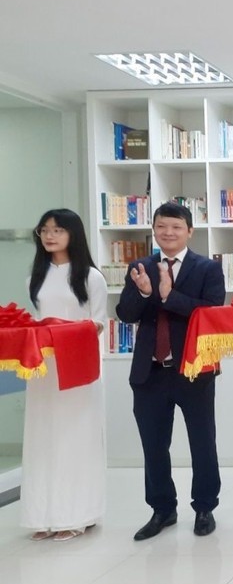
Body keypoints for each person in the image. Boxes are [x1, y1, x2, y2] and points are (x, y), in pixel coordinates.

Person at [117, 202, 225, 541]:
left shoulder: (207, 268)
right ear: (154, 229)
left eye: (176, 227)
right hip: (149, 372)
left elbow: (211, 313)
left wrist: (169, 296)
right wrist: (146, 293)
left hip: (193, 369)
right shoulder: (141, 267)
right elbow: (125, 313)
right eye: (162, 226)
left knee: (202, 441)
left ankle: (205, 507)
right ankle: (163, 509)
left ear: (190, 231)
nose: (168, 233)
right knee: (153, 445)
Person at [20, 209, 107, 542]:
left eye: (57, 230)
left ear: (73, 233)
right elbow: (34, 321)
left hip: (78, 366)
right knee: (42, 438)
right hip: (43, 368)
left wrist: (62, 335)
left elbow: (96, 324)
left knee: (75, 438)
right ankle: (42, 515)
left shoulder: (90, 277)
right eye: (44, 230)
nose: (50, 236)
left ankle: (77, 514)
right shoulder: (35, 277)